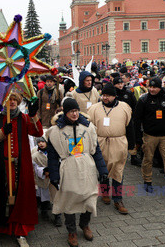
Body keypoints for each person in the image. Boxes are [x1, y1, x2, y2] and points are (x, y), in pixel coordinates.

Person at [0, 93, 41, 247]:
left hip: (20, 166)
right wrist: (2, 132)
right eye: (8, 99)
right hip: (0, 166)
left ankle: (19, 230)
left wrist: (34, 115)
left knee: (20, 198)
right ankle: (2, 227)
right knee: (1, 196)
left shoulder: (25, 118)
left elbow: (38, 133)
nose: (12, 102)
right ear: (2, 102)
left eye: (14, 100)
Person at [46, 98, 108, 247]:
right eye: (71, 111)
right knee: (69, 198)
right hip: (68, 168)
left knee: (89, 196)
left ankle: (85, 224)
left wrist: (103, 170)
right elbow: (53, 156)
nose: (74, 114)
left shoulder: (88, 127)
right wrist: (54, 176)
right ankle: (71, 231)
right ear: (65, 112)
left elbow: (96, 150)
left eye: (76, 111)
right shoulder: (55, 131)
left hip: (87, 166)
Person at [133, 77, 165, 201]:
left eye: (155, 87)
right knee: (148, 159)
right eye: (150, 87)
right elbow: (137, 119)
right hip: (149, 136)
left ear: (160, 87)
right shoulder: (144, 99)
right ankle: (147, 181)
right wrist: (138, 137)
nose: (152, 89)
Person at [88, 83, 133, 214]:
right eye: (103, 95)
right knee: (103, 170)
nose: (105, 97)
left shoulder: (124, 107)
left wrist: (131, 144)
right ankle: (105, 192)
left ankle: (118, 199)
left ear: (114, 96)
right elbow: (89, 128)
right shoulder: (94, 108)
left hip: (118, 142)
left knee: (118, 171)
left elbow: (130, 126)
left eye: (108, 95)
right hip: (100, 142)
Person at [31, 137, 60, 226]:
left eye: (43, 142)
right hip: (43, 178)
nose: (41, 144)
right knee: (44, 196)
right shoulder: (35, 156)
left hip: (54, 178)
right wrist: (44, 171)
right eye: (39, 142)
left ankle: (57, 216)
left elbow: (59, 162)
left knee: (56, 197)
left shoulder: (53, 152)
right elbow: (35, 167)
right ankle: (44, 211)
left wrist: (53, 170)